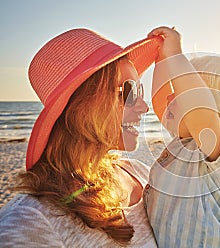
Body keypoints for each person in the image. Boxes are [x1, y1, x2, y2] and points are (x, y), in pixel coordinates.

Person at [0, 28, 163, 247]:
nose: (143, 107)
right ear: (82, 104)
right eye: (128, 92)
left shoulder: (139, 173)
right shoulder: (31, 224)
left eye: (140, 91)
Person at [144, 27, 220, 247]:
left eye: (180, 90)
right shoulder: (184, 142)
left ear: (213, 105)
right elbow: (160, 102)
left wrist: (176, 55)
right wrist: (163, 59)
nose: (170, 94)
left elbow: (199, 112)